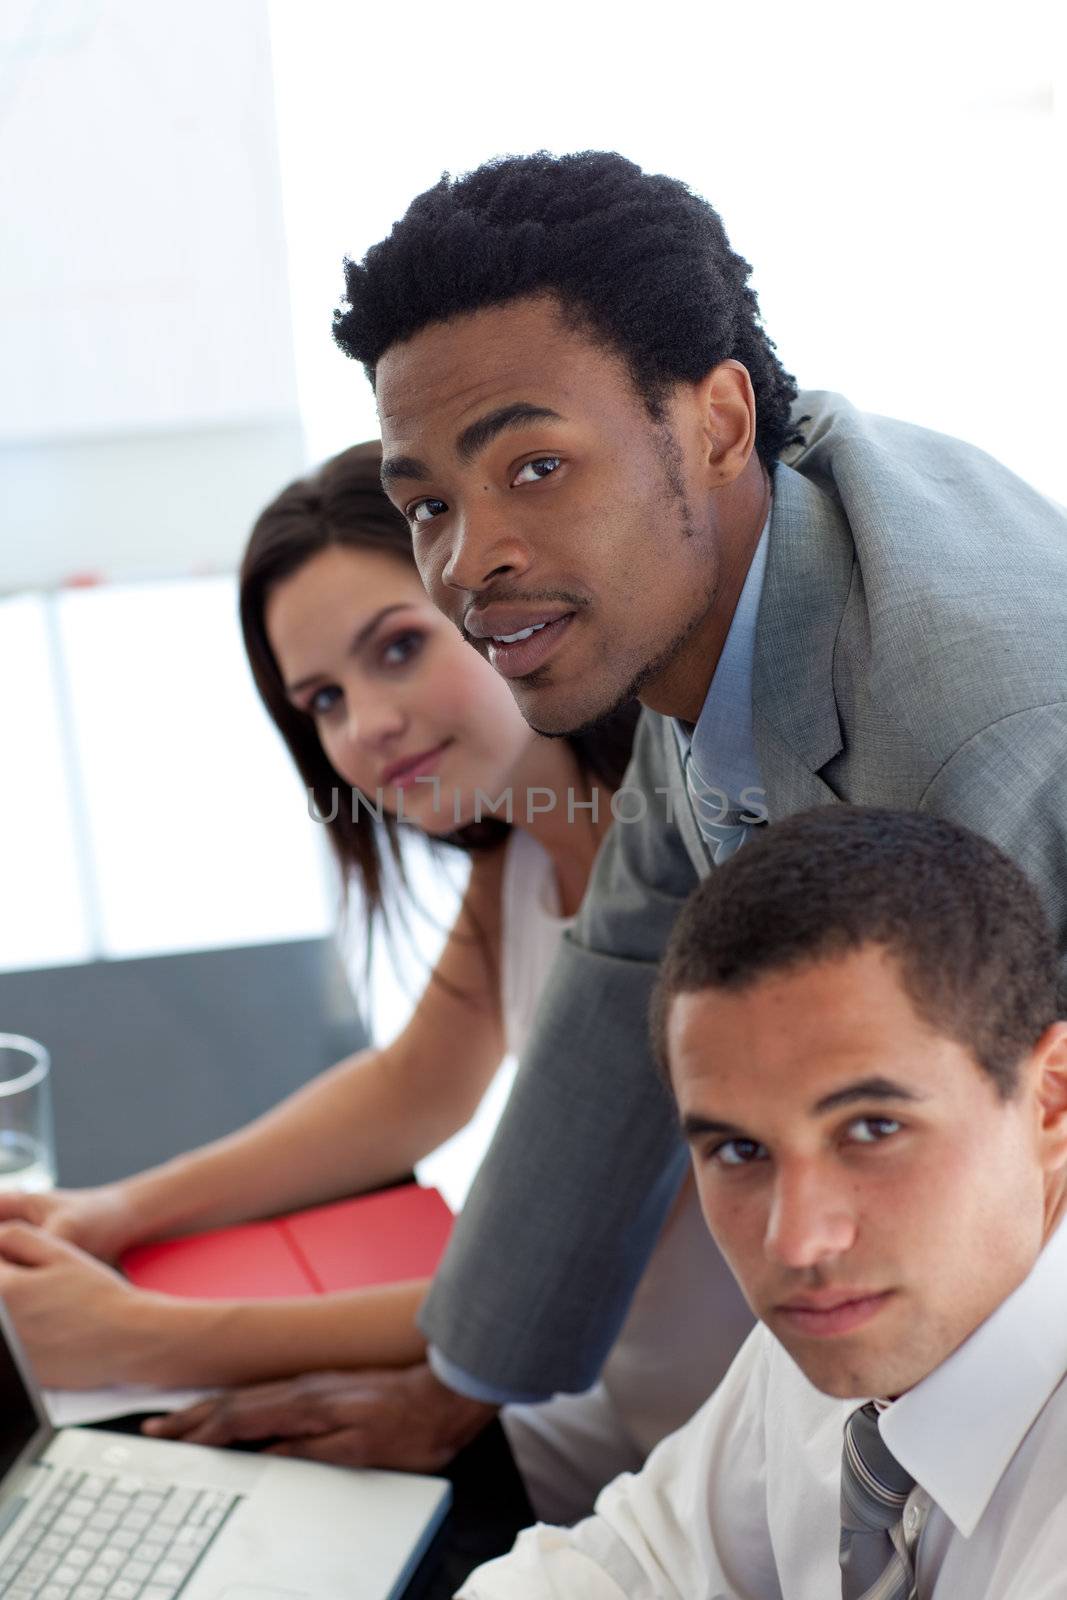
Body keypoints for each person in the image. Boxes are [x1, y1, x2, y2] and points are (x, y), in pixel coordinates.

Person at [169, 147, 1064, 1471]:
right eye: (424, 501)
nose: (468, 561)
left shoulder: (955, 741)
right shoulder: (724, 598)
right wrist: (459, 1387)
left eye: (531, 467)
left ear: (713, 421)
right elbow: (614, 989)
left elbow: (996, 1238)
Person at [0, 441, 751, 1525]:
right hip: (577, 1432)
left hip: (693, 1495)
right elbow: (410, 1085)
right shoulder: (527, 854)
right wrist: (118, 1209)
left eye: (397, 647)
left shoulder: (692, 890)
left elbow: (549, 1279)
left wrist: (140, 1334)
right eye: (323, 700)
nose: (366, 727)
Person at [459, 807, 1067, 1598]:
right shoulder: (850, 1311)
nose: (796, 1240)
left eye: (872, 1128)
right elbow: (630, 1563)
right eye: (738, 1151)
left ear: (1048, 1102)